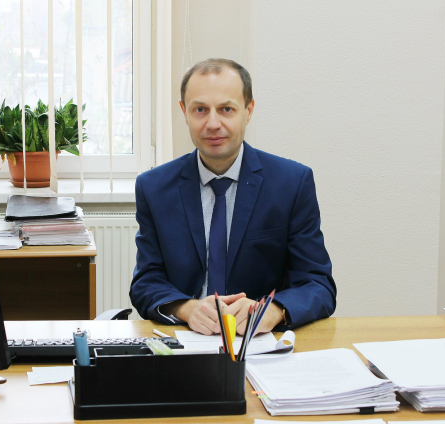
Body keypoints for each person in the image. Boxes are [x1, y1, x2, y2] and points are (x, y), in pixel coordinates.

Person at [129, 58, 336, 336]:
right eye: (200, 110)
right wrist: (186, 308)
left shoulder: (291, 183)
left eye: (226, 109)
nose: (213, 123)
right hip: (186, 338)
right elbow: (146, 281)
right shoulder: (153, 187)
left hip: (259, 340)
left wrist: (272, 310)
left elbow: (318, 284)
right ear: (184, 113)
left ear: (248, 111)